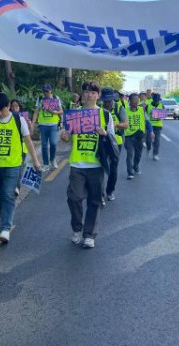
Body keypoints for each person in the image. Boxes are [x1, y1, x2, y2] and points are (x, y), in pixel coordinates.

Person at [60, 82, 114, 249]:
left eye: (93, 92)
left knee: (94, 201)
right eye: (86, 92)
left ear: (98, 96)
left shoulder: (105, 115)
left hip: (96, 164)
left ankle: (89, 234)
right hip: (77, 163)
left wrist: (104, 133)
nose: (89, 95)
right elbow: (66, 138)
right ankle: (77, 229)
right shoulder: (73, 115)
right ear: (82, 95)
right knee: (74, 198)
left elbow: (112, 139)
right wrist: (64, 136)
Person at [0, 93, 41, 243]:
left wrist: (35, 161)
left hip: (13, 164)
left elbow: (28, 141)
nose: (1, 113)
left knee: (8, 194)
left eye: (2, 110)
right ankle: (4, 220)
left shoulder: (18, 120)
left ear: (8, 106)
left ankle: (5, 228)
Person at [101, 88, 128, 203]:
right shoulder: (98, 108)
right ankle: (100, 194)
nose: (107, 103)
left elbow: (126, 124)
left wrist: (112, 124)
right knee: (101, 167)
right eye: (105, 100)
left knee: (113, 168)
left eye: (109, 100)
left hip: (115, 142)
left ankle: (110, 191)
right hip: (101, 141)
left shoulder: (119, 108)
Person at [32, 83, 63, 171]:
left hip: (53, 125)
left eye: (47, 91)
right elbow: (36, 112)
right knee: (44, 145)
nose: (46, 93)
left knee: (53, 143)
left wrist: (54, 112)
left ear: (51, 90)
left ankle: (52, 159)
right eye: (44, 91)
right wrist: (32, 123)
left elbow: (61, 111)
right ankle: (46, 163)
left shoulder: (56, 98)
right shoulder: (40, 99)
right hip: (43, 125)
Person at [124, 93, 153, 180]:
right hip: (129, 136)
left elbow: (147, 121)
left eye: (137, 100)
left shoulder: (141, 110)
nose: (136, 102)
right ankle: (130, 172)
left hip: (139, 137)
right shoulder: (125, 110)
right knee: (129, 154)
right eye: (134, 100)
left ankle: (135, 166)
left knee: (138, 154)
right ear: (130, 101)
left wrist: (151, 131)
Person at [10, 99, 33, 197]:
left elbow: (29, 136)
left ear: (20, 108)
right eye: (13, 106)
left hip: (22, 148)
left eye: (16, 106)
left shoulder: (23, 119)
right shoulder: (7, 118)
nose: (14, 108)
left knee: (19, 168)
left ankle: (17, 187)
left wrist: (30, 125)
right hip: (10, 148)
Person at [146, 93, 165, 160]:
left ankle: (155, 154)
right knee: (148, 140)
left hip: (158, 126)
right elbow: (144, 115)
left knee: (156, 141)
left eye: (157, 100)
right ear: (153, 99)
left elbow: (163, 116)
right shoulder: (148, 106)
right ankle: (148, 148)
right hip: (149, 125)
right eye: (155, 100)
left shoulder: (161, 106)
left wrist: (160, 117)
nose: (156, 101)